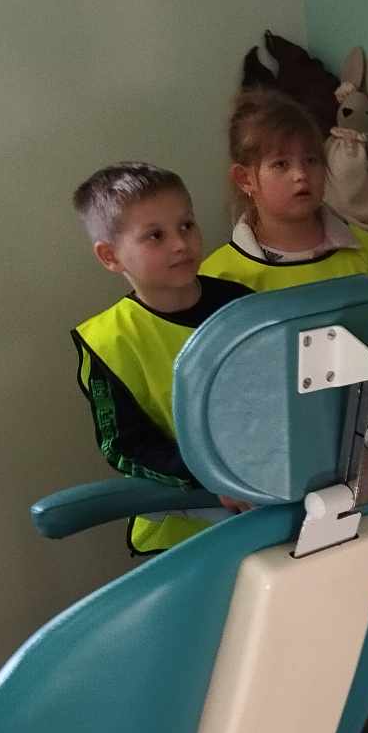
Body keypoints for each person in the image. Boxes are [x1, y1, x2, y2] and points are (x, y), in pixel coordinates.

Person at [71, 162, 246, 555]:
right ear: (110, 256)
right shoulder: (107, 341)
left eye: (187, 225)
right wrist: (210, 478)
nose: (180, 243)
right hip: (181, 532)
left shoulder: (241, 304)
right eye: (155, 236)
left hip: (267, 502)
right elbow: (125, 447)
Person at [201, 89, 368, 297]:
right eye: (281, 164)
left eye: (311, 160)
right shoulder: (219, 279)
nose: (301, 174)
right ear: (245, 179)